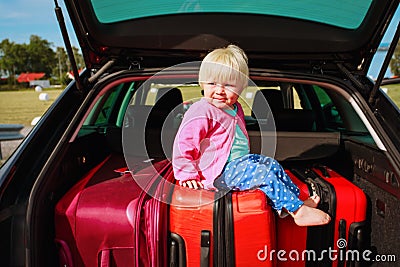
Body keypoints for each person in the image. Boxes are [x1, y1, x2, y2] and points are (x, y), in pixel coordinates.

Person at [172, 44, 330, 226]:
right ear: (202, 83)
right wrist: (187, 174)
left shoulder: (235, 108)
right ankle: (298, 211)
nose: (219, 90)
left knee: (272, 165)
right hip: (218, 172)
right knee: (262, 174)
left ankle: (294, 202)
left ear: (240, 88)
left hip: (237, 164)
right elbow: (184, 143)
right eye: (212, 83)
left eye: (228, 85)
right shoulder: (202, 109)